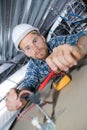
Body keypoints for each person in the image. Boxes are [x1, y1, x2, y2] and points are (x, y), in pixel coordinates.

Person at [6, 24, 87, 111]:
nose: (35, 48)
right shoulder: (33, 66)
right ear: (26, 54)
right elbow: (28, 84)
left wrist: (80, 48)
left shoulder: (56, 42)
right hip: (67, 96)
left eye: (35, 41)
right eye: (28, 48)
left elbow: (83, 37)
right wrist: (20, 97)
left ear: (42, 38)